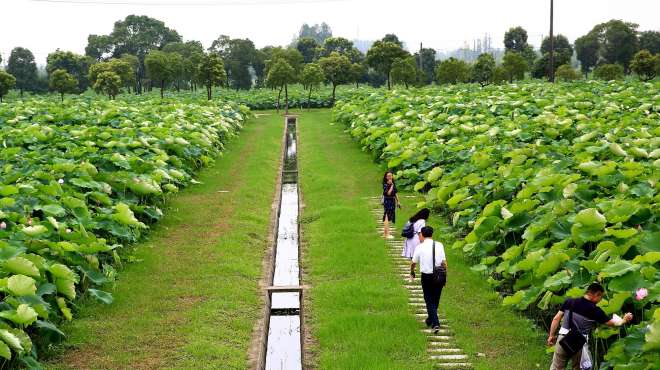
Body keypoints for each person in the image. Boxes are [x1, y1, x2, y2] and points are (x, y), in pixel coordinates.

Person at [547, 283, 634, 370]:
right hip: (578, 342)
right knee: (578, 368)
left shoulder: (569, 301)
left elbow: (556, 318)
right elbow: (613, 323)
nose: (600, 300)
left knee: (556, 367)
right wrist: (624, 320)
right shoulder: (595, 310)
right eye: (601, 297)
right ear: (597, 294)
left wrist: (551, 335)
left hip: (562, 338)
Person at [410, 226, 447, 333]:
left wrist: (412, 271)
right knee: (435, 299)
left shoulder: (419, 247)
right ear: (432, 234)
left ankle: (435, 323)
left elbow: (413, 263)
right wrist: (445, 277)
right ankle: (430, 319)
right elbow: (444, 263)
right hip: (439, 275)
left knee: (429, 299)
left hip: (426, 276)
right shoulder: (439, 245)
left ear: (422, 234)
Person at [382, 171, 400, 239]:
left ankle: (385, 233)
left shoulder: (393, 183)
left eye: (391, 175)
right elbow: (389, 193)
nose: (390, 177)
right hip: (388, 201)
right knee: (386, 217)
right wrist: (391, 185)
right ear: (386, 177)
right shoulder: (385, 184)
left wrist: (398, 201)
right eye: (388, 176)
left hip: (392, 201)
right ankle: (387, 234)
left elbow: (395, 193)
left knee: (388, 217)